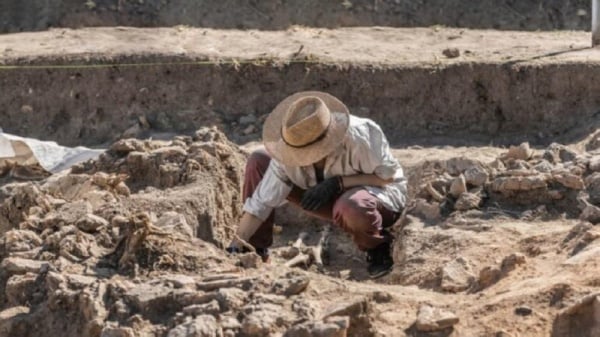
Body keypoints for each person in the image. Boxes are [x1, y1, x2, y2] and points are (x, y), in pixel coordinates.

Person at [228, 91, 407, 278]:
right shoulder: (288, 149)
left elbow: (387, 178)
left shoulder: (361, 135)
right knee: (259, 159)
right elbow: (261, 202)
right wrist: (236, 245)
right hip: (325, 199)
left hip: (378, 197)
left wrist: (338, 183)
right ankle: (255, 250)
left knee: (352, 205)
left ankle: (377, 247)